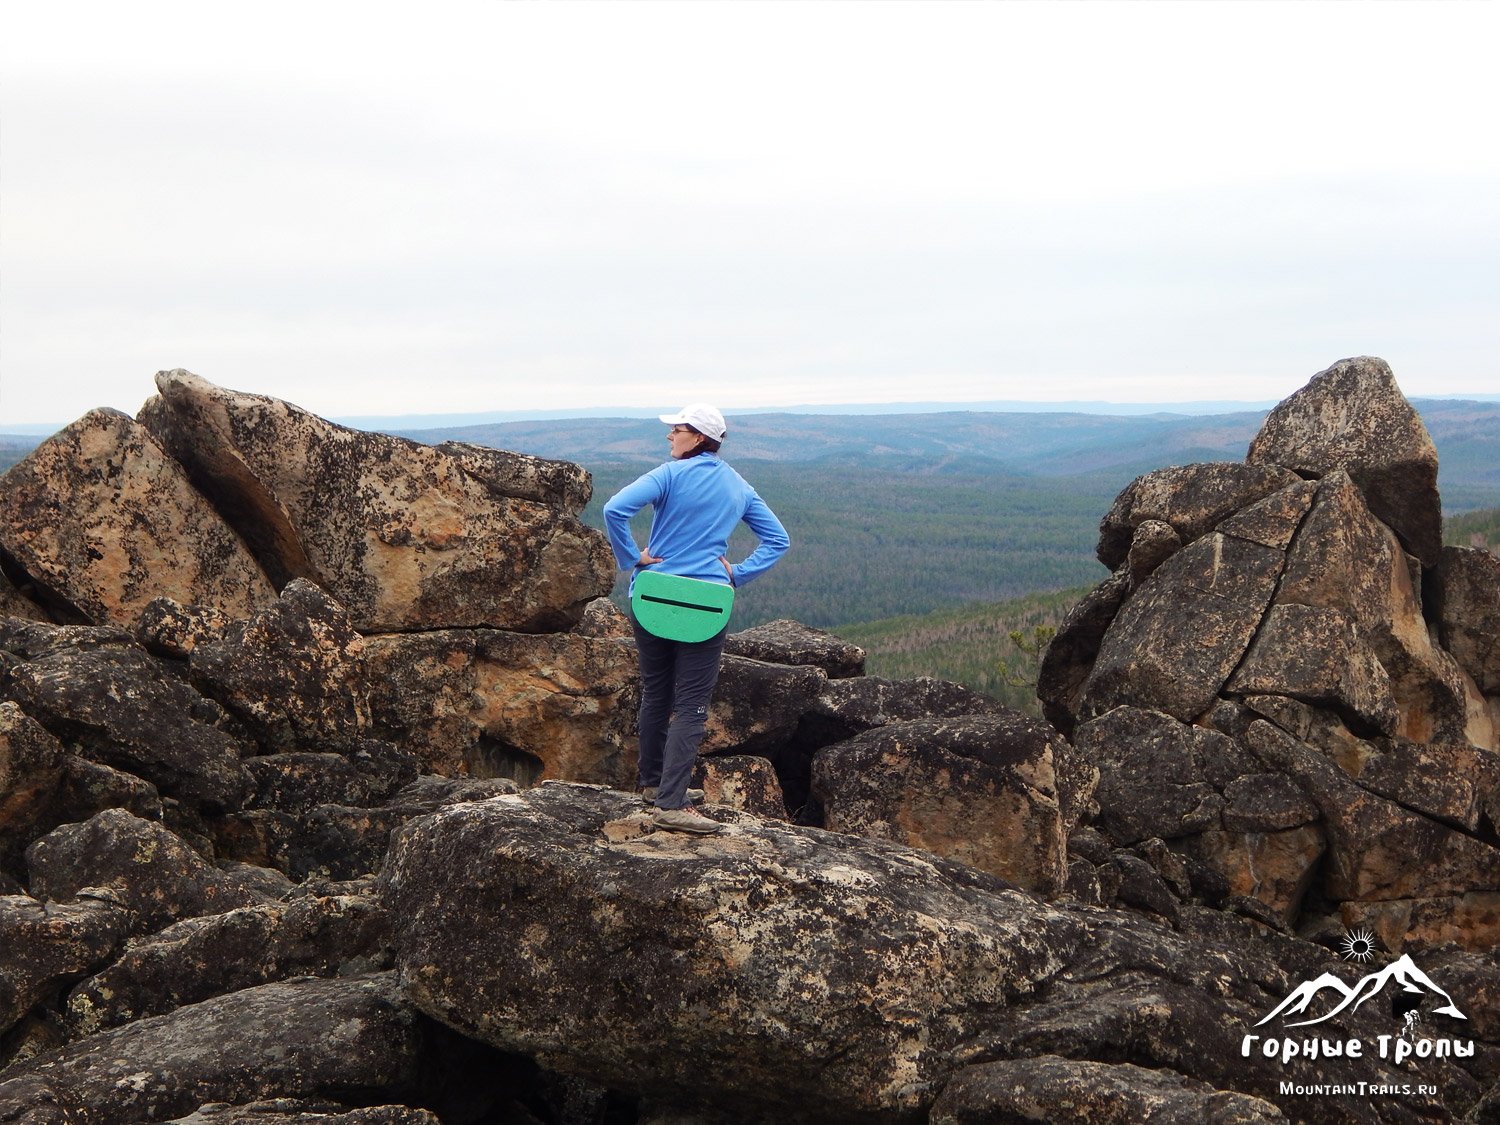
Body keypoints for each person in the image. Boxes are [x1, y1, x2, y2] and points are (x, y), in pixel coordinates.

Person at [603, 403, 790, 835]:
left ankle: (654, 786)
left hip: (652, 595)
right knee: (691, 705)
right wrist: (738, 573)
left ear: (700, 438)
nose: (669, 436)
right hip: (707, 601)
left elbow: (615, 509)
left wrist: (633, 558)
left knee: (656, 693)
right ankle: (670, 801)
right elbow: (777, 540)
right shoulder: (739, 486)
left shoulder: (667, 476)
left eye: (677, 429)